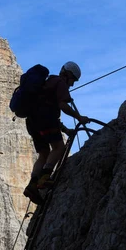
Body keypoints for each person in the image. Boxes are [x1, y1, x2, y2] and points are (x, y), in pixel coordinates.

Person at [23, 61, 90, 205]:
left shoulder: (46, 84)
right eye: (73, 80)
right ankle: (45, 178)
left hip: (32, 122)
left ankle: (32, 186)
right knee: (59, 148)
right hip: (45, 119)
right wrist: (79, 118)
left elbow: (49, 112)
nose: (72, 85)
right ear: (68, 75)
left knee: (44, 153)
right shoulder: (59, 83)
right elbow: (62, 106)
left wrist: (66, 130)